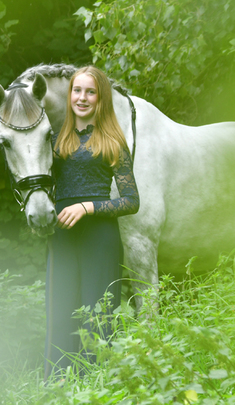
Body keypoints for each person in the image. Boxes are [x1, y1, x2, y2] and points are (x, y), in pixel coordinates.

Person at [44, 65, 139, 379]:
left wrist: (87, 207)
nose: (81, 98)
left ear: (101, 99)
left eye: (90, 92)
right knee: (60, 314)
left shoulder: (112, 142)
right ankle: (57, 388)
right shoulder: (56, 142)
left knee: (97, 316)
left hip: (100, 238)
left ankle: (97, 389)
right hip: (63, 236)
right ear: (69, 94)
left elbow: (131, 201)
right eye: (76, 90)